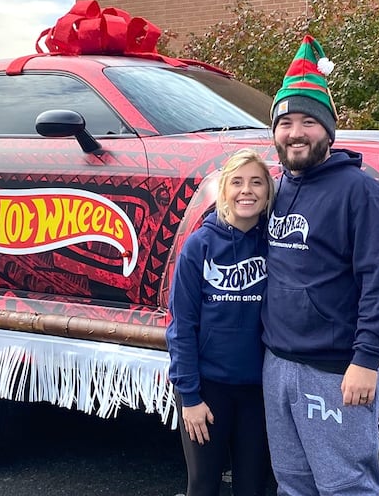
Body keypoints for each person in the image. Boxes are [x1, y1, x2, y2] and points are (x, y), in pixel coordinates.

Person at [261, 35, 379, 495]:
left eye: (308, 122)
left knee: (346, 485)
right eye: (285, 122)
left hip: (334, 368)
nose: (295, 133)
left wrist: (367, 359)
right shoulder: (274, 189)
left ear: (328, 131)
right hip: (276, 362)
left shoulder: (360, 192)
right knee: (293, 482)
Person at [166, 148, 275, 496]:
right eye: (238, 182)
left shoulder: (275, 246)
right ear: (224, 190)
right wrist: (190, 397)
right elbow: (181, 327)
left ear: (268, 192)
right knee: (203, 484)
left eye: (257, 182)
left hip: (258, 391)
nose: (247, 190)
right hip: (207, 390)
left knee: (254, 486)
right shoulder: (199, 245)